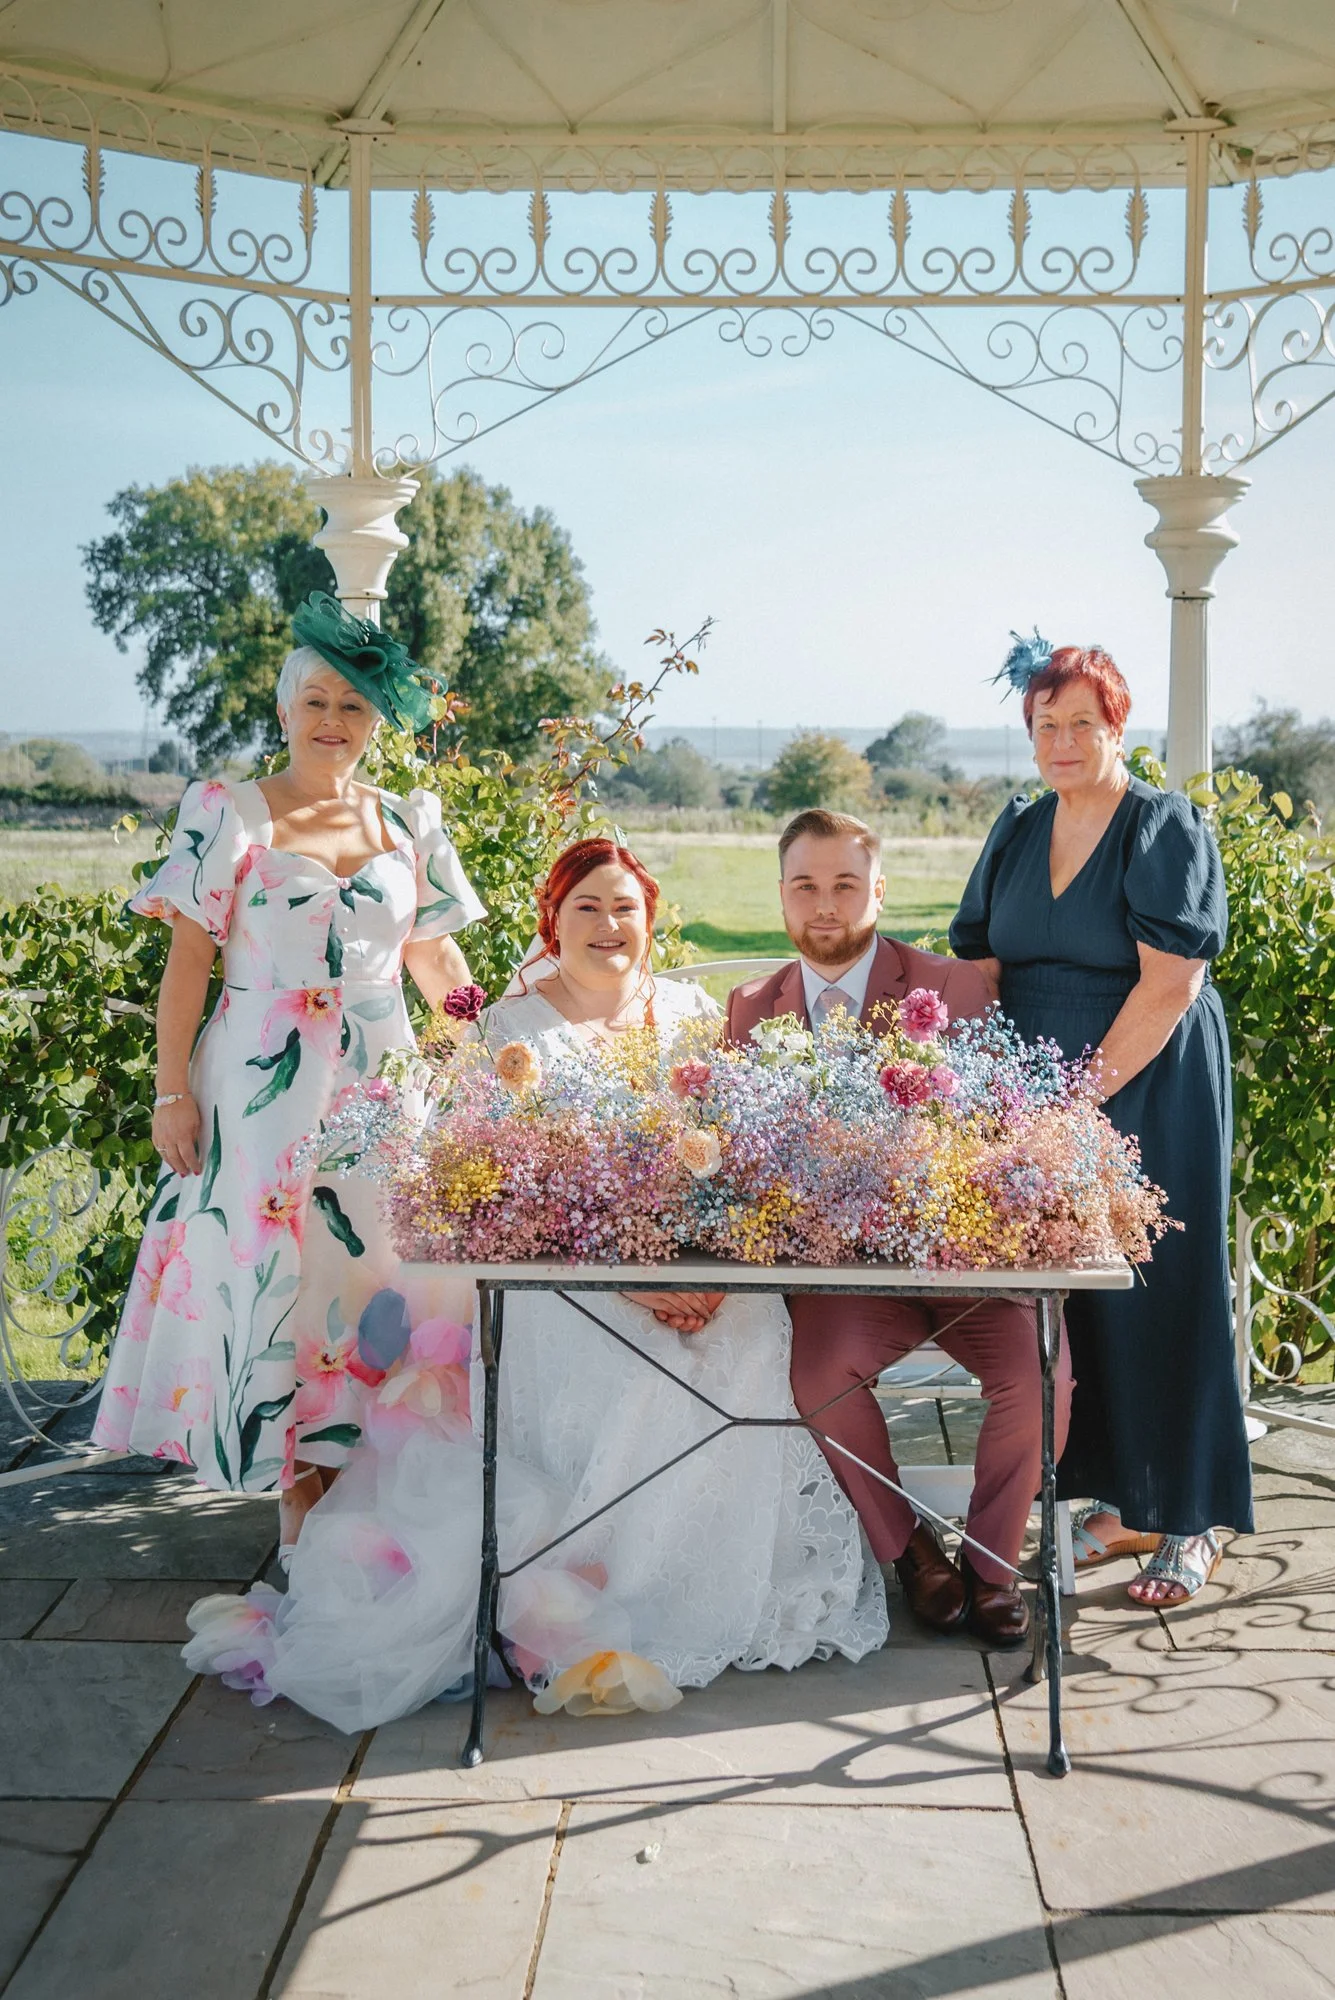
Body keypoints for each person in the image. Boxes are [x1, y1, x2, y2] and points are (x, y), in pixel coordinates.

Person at [181, 837, 887, 1731]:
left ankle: (718, 1586)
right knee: (633, 1372)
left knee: (750, 1340)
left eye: (625, 908)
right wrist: (624, 1283)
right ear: (551, 921)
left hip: (690, 1261)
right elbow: (494, 1192)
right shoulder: (502, 1026)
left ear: (652, 922)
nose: (607, 925)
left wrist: (703, 1272)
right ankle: (595, 1597)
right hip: (554, 1272)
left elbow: (739, 1163)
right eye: (585, 907)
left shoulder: (695, 1015)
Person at [91, 592, 485, 1562]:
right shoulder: (227, 812)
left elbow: (435, 962)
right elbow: (189, 962)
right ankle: (299, 1504)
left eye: (353, 705)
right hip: (260, 1095)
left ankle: (371, 1487)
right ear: (283, 710)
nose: (332, 721)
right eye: (315, 700)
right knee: (280, 1283)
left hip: (385, 1091)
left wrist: (484, 1056)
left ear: (375, 721)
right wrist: (171, 1092)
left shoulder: (410, 820)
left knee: (373, 1274)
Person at [950, 635, 1253, 1604]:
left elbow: (1170, 985)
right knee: (1080, 1301)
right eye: (1046, 724)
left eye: (1083, 721)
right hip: (1037, 1088)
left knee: (1162, 1286)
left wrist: (1076, 1097)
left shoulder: (1162, 827)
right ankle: (1124, 1509)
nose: (1063, 740)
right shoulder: (1018, 828)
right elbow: (982, 962)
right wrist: (987, 1087)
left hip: (1146, 1076)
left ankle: (1192, 1513)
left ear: (1119, 727)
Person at [726, 808, 1071, 1648]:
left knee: (1040, 1377)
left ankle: (991, 1566)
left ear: (878, 890)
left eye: (846, 884)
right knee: (817, 1376)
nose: (825, 905)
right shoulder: (752, 1008)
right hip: (847, 1279)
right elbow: (739, 1156)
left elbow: (1002, 1124)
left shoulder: (948, 988)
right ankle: (912, 1551)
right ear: (781, 895)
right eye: (805, 885)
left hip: (965, 1266)